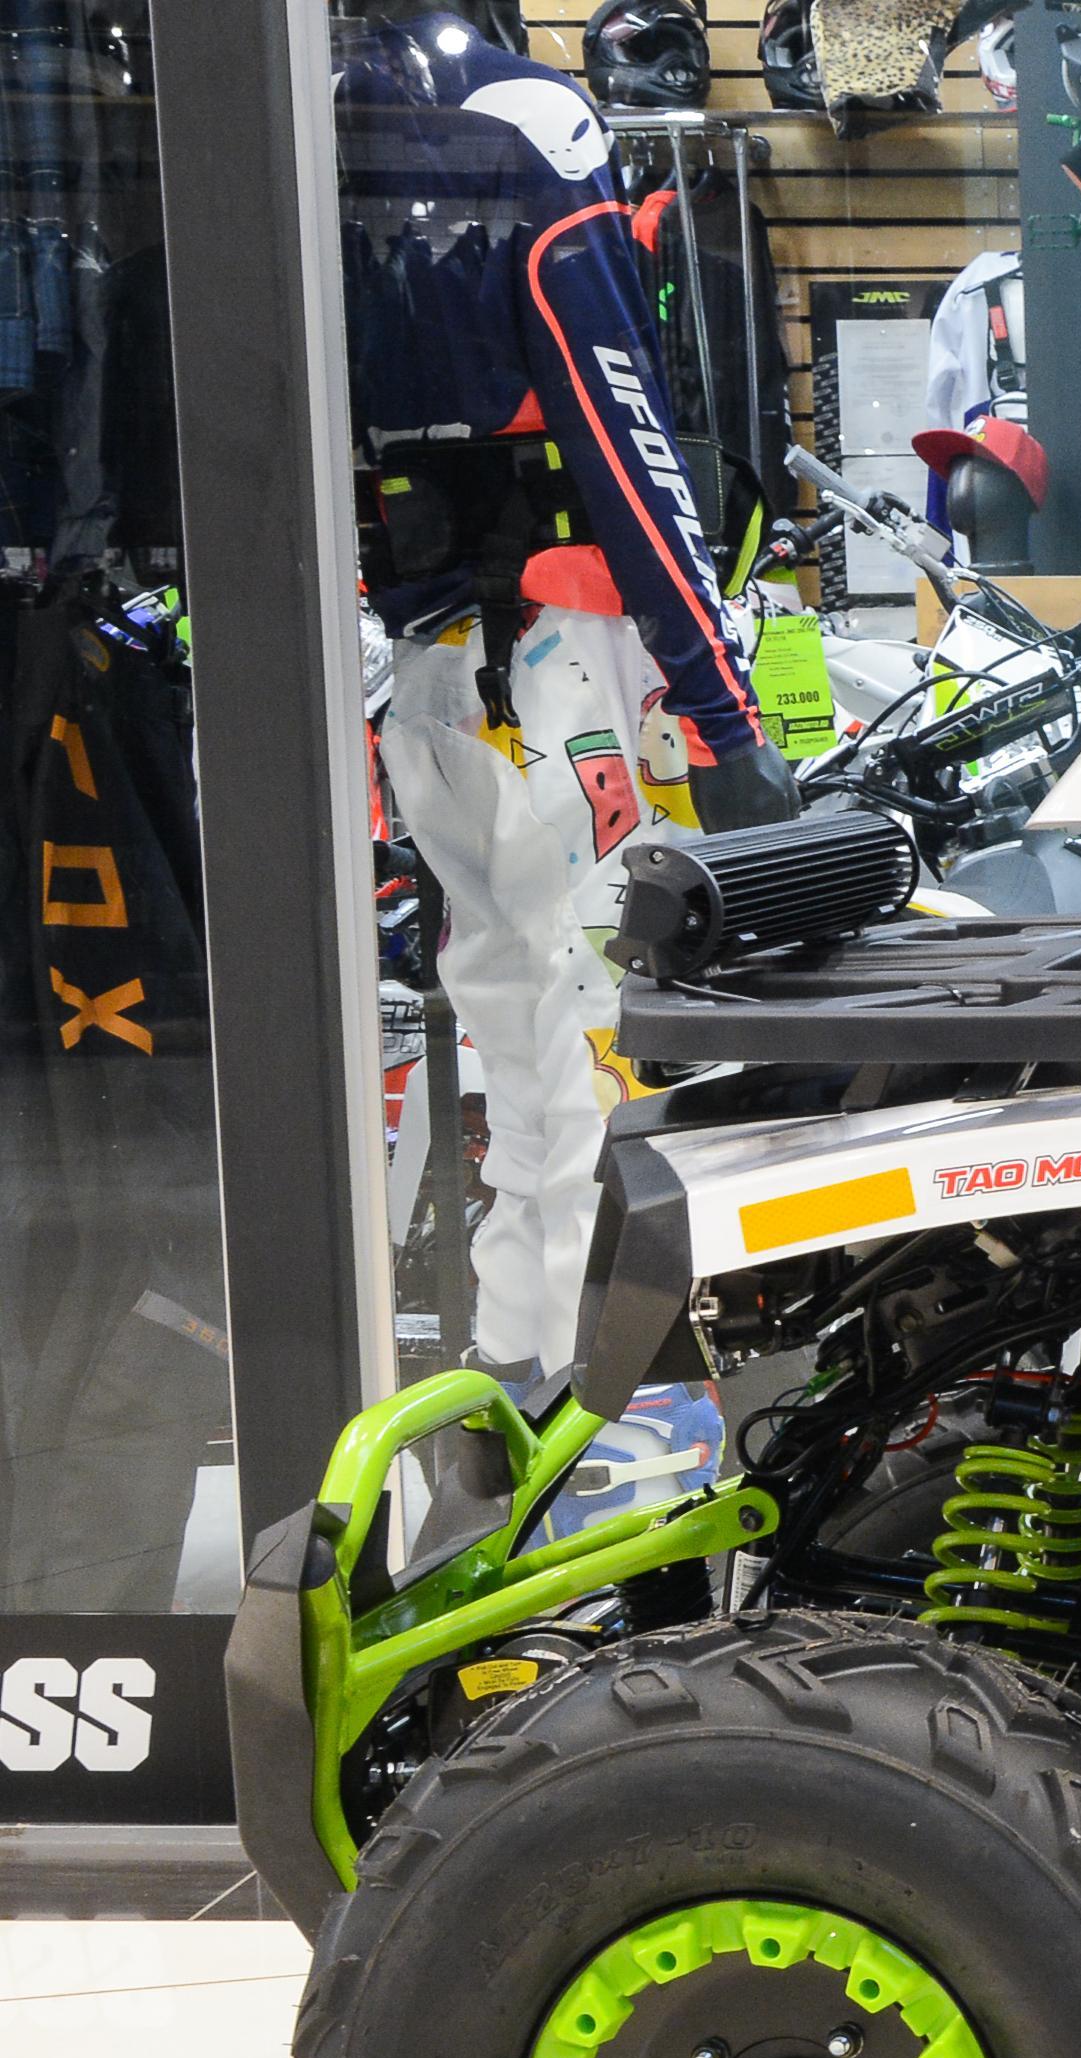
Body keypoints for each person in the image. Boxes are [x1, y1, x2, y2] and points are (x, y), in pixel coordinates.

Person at [337, 3, 794, 1375]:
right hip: (563, 658)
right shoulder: (526, 119)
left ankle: (519, 1367)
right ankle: (604, 1403)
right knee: (604, 1037)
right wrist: (723, 710)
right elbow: (619, 430)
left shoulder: (303, 133)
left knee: (515, 1044)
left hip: (425, 666)